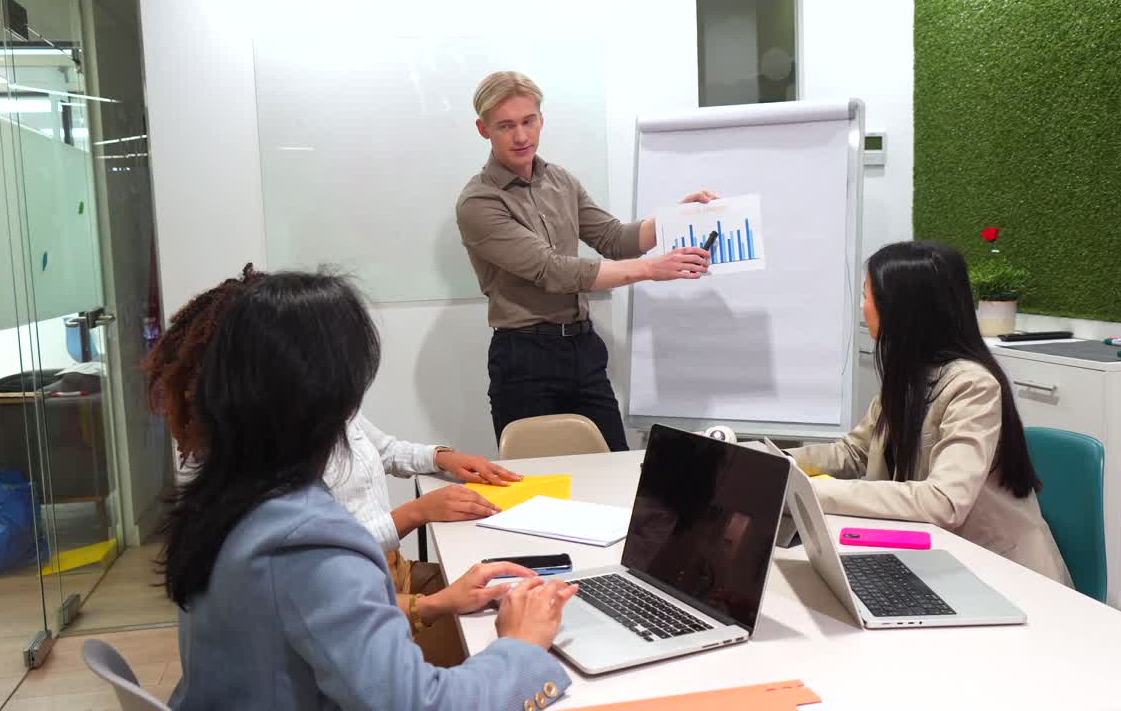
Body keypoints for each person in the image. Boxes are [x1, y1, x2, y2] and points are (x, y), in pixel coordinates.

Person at [155, 271, 577, 710]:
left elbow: (308, 619)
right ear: (335, 396)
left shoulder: (224, 498)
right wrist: (522, 647)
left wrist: (430, 605)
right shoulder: (307, 538)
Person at [456, 71, 716, 452]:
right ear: (484, 129)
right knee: (539, 488)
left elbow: (612, 238)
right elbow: (553, 271)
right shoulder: (478, 202)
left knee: (615, 470)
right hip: (524, 358)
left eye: (529, 121)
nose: (521, 136)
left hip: (583, 350)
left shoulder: (560, 180)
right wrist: (650, 270)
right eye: (506, 126)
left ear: (541, 119)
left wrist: (676, 222)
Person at [789, 241, 1072, 586]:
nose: (862, 307)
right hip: (935, 563)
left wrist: (810, 492)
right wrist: (776, 463)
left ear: (901, 309)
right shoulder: (910, 376)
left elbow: (943, 503)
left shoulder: (972, 385)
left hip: (1001, 577)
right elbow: (852, 452)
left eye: (867, 295)